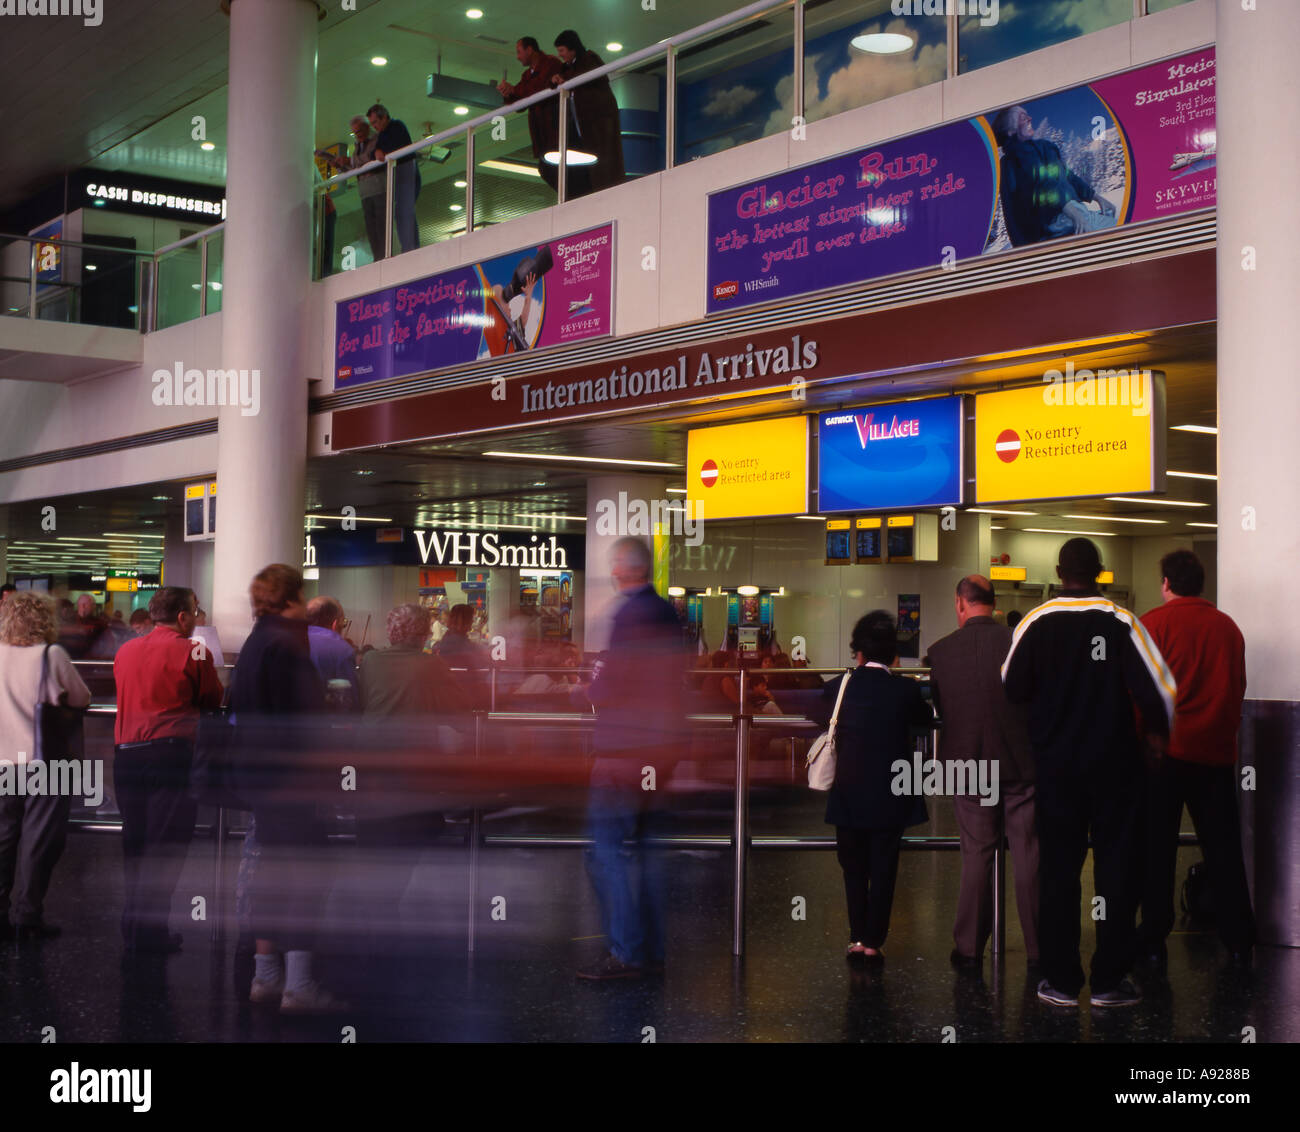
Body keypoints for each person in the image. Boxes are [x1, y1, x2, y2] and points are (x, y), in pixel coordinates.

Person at [1002, 538, 1175, 1009]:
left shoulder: (1036, 622)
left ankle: (1060, 980)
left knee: (1058, 870)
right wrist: (1157, 739)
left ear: (1059, 571)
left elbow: (1011, 685)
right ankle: (1108, 981)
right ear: (1101, 572)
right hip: (1115, 767)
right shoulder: (1123, 621)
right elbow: (1160, 688)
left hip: (1056, 768)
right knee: (1118, 871)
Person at [228, 564, 347, 1014]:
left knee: (273, 873)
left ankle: (265, 976)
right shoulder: (289, 645)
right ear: (294, 598)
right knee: (306, 877)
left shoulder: (256, 642)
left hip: (258, 777)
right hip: (292, 779)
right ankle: (298, 986)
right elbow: (304, 722)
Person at [1137, 550, 1255, 970]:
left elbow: (1141, 694)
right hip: (1215, 757)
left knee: (1157, 850)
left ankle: (1153, 938)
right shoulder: (1229, 629)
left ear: (1167, 583)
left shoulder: (1151, 624)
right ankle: (1239, 938)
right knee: (1223, 849)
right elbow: (1236, 687)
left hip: (1163, 757)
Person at [576, 537, 688, 979]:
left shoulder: (629, 614)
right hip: (659, 753)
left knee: (606, 852)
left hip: (623, 752)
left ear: (623, 568)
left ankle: (626, 952)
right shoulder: (666, 613)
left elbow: (614, 682)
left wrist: (581, 693)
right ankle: (651, 949)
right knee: (647, 851)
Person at [927, 576, 1038, 971]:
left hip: (968, 765)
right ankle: (1039, 948)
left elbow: (941, 706)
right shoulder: (1020, 641)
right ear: (994, 602)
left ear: (960, 603)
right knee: (1027, 853)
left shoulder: (940, 652)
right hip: (1021, 762)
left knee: (976, 854)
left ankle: (969, 947)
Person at [814, 611, 933, 964]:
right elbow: (925, 722)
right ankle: (873, 940)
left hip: (848, 794)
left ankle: (855, 937)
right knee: (884, 867)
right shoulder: (906, 689)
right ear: (893, 655)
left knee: (853, 868)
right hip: (890, 795)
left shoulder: (838, 687)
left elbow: (819, 717)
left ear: (858, 653)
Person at [112, 586, 223, 954]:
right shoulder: (194, 650)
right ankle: (152, 931)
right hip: (171, 755)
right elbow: (212, 698)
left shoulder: (126, 650)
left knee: (136, 842)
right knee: (166, 844)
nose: (195, 617)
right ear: (182, 616)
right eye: (194, 611)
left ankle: (133, 925)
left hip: (126, 755)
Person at [0, 591, 91, 940]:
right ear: (45, 620)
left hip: (3, 762)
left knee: (4, 836)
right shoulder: (50, 655)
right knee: (40, 839)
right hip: (44, 764)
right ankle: (28, 914)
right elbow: (80, 697)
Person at [992, 104, 1116, 246]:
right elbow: (1041, 183)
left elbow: (1068, 176)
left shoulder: (1043, 147)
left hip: (1072, 216)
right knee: (1119, 231)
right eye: (1022, 117)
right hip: (1059, 223)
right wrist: (1074, 213)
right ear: (1010, 130)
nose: (1030, 118)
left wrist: (1097, 197)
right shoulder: (1016, 157)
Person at [552, 29, 626, 196]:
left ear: (572, 49)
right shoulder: (570, 67)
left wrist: (565, 80)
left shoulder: (590, 59)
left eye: (562, 50)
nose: (560, 55)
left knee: (603, 161)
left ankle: (604, 194)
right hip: (587, 125)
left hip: (598, 122)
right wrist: (556, 80)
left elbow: (587, 78)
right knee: (595, 161)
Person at [498, 37, 565, 191]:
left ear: (530, 50)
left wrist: (514, 90)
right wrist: (508, 93)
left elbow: (540, 89)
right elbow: (520, 103)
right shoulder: (527, 75)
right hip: (542, 133)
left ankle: (570, 199)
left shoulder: (551, 64)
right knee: (547, 169)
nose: (517, 56)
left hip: (554, 128)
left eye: (519, 52)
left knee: (553, 168)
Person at [321, 116, 386, 262]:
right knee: (371, 226)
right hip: (365, 191)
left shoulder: (377, 141)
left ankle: (384, 256)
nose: (359, 135)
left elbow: (371, 158)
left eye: (361, 131)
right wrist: (340, 166)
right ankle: (378, 258)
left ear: (368, 128)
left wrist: (349, 160)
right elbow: (356, 166)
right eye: (356, 133)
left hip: (379, 188)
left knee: (380, 224)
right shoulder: (358, 146)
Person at [367, 103, 420, 255]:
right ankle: (408, 246)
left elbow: (397, 146)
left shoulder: (397, 126)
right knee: (401, 211)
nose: (374, 126)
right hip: (399, 174)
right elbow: (375, 155)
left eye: (375, 122)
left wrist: (380, 151)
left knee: (405, 210)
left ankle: (410, 247)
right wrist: (377, 151)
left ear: (384, 118)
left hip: (407, 170)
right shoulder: (382, 135)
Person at [306, 596, 358, 711]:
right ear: (335, 624)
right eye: (343, 623)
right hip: (324, 724)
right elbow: (347, 701)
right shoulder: (341, 649)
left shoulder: (287, 640)